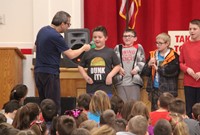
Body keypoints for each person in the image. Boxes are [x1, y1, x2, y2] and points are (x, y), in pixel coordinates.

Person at [34, 11, 91, 114]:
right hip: (50, 73)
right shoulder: (56, 36)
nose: (68, 27)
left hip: (38, 71)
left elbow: (34, 48)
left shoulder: (42, 30)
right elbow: (71, 55)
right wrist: (83, 48)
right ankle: (54, 127)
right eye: (68, 24)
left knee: (44, 103)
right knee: (53, 105)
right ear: (62, 24)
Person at [142, 32, 180, 111]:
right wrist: (149, 64)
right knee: (155, 112)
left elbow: (172, 72)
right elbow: (145, 72)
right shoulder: (153, 55)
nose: (157, 45)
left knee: (168, 112)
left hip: (168, 90)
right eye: (156, 43)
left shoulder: (174, 56)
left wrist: (158, 68)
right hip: (155, 89)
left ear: (167, 43)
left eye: (160, 43)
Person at [78, 25, 121, 95]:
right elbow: (80, 66)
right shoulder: (88, 52)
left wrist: (110, 75)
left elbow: (117, 66)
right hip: (91, 87)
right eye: (95, 37)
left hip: (106, 87)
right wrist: (86, 77)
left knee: (105, 105)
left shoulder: (110, 52)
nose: (97, 39)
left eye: (100, 37)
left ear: (106, 38)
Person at [114, 29, 145, 102]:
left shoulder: (138, 47)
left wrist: (137, 69)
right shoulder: (118, 48)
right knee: (122, 105)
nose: (127, 38)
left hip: (134, 82)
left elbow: (142, 61)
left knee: (134, 105)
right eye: (125, 36)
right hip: (121, 82)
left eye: (129, 36)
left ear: (135, 38)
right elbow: (113, 62)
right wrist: (118, 68)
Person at [179, 19, 200, 118]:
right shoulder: (185, 45)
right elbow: (180, 63)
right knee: (190, 109)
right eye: (190, 29)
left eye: (194, 29)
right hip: (189, 82)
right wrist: (187, 69)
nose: (191, 31)